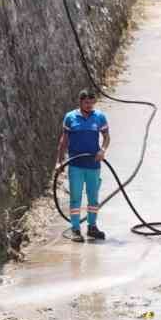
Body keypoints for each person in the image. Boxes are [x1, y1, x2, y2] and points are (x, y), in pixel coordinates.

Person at [57, 89, 111, 241]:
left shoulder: (99, 117)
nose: (89, 105)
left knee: (93, 198)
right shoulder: (70, 118)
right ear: (80, 102)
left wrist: (102, 150)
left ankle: (92, 227)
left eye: (91, 103)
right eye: (86, 102)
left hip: (93, 165)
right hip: (76, 165)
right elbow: (63, 141)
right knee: (76, 198)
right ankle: (75, 229)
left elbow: (106, 137)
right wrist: (59, 162)